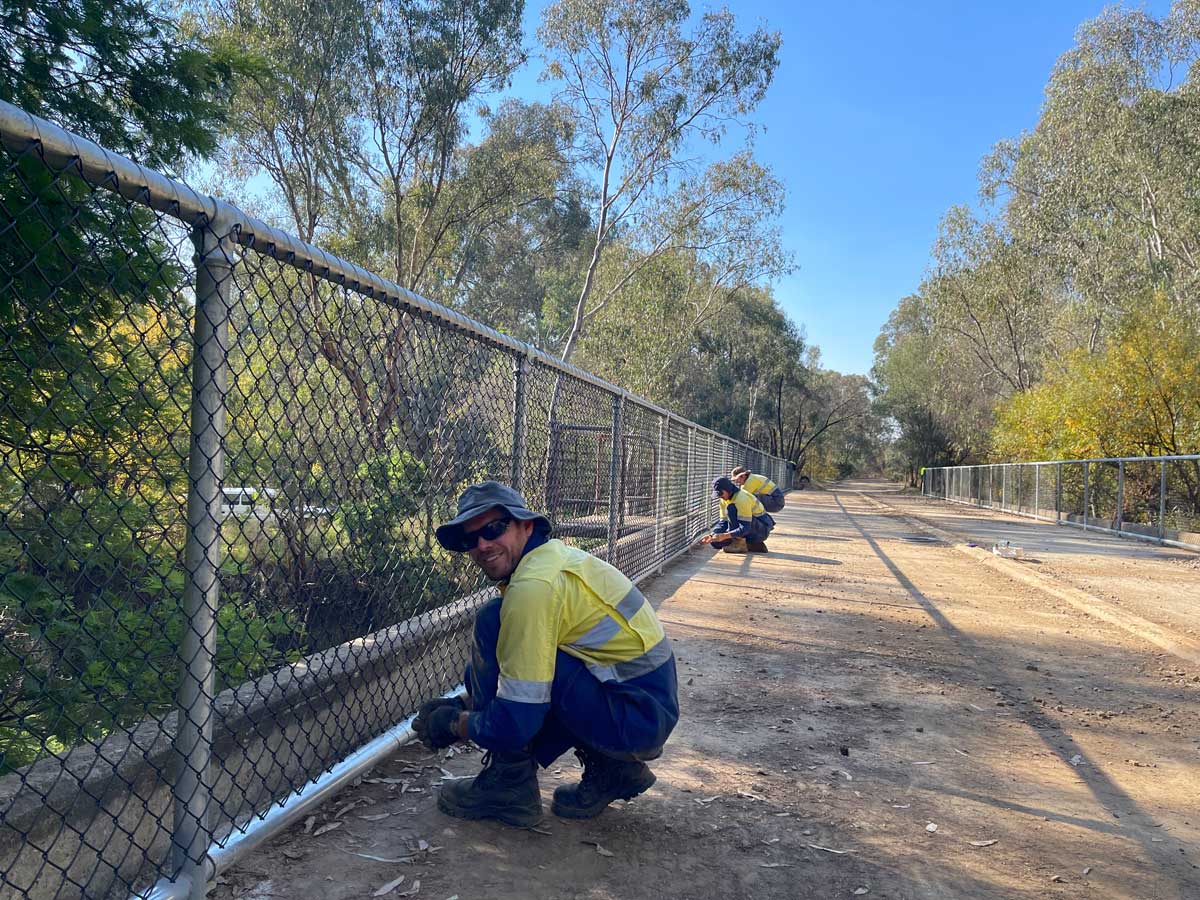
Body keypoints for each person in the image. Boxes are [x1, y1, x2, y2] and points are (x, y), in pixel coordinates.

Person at [411, 482, 679, 827]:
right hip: (643, 707)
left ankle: (509, 785)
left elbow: (517, 716)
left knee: (493, 623)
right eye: (469, 539)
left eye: (494, 529)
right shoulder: (552, 558)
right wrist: (466, 701)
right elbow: (531, 671)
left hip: (635, 718)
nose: (482, 545)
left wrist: (454, 724)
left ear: (526, 525)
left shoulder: (532, 588)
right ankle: (615, 769)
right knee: (503, 638)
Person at [700, 476, 775, 554]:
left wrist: (725, 536)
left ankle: (740, 543)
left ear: (727, 489)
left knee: (731, 509)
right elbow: (723, 522)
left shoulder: (742, 499)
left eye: (721, 493)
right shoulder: (724, 499)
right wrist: (712, 535)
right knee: (715, 543)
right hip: (748, 528)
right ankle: (751, 544)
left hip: (761, 530)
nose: (720, 496)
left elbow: (745, 527)